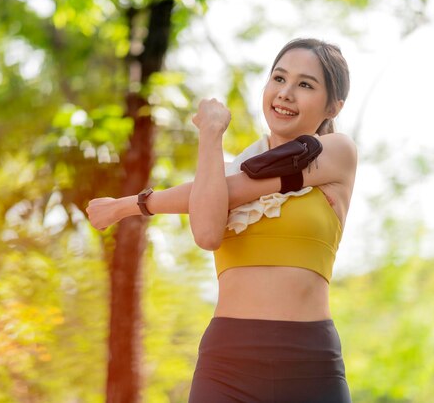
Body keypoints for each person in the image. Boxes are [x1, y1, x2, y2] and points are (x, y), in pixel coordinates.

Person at [86, 38, 357, 403]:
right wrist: (209, 137)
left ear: (333, 105)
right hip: (227, 362)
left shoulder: (338, 154)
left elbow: (240, 184)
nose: (286, 93)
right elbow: (208, 230)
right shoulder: (219, 182)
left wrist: (133, 204)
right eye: (278, 78)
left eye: (305, 85)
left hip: (309, 361)